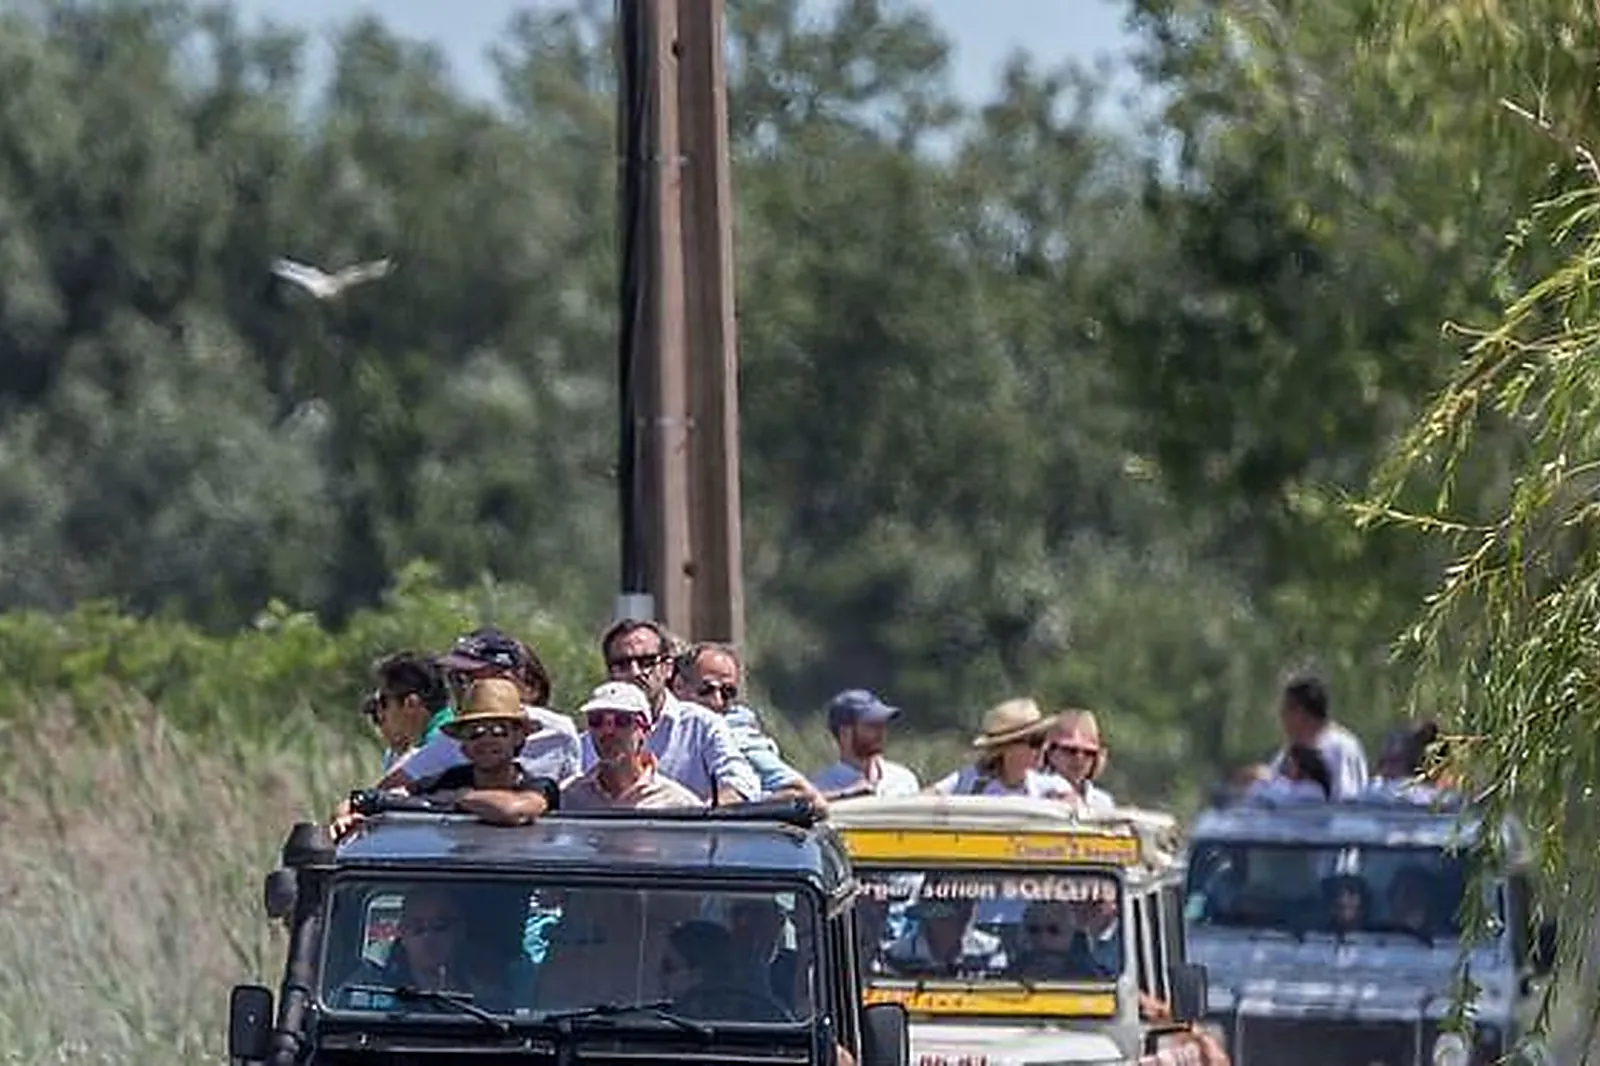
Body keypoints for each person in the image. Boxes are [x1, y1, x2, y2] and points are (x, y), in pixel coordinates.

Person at [344, 678, 560, 835]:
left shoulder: (539, 786)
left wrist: (456, 799)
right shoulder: (447, 780)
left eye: (498, 731)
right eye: (475, 734)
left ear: (518, 737)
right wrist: (347, 814)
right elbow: (381, 797)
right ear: (463, 746)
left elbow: (515, 811)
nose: (486, 741)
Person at [580, 619, 759, 805]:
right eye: (622, 664)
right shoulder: (588, 742)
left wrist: (699, 817)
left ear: (668, 668)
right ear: (609, 674)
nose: (635, 672)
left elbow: (741, 783)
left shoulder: (701, 725)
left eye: (646, 662)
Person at [673, 642, 826, 806]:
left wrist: (732, 804)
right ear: (679, 686)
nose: (717, 701)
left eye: (728, 692)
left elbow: (805, 794)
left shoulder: (734, 732)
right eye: (706, 689)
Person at [436, 627, 581, 782]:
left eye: (467, 677)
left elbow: (569, 796)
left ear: (504, 678)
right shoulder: (456, 732)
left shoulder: (558, 731)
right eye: (454, 677)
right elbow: (408, 781)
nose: (459, 687)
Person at [562, 681, 704, 810]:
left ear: (645, 730)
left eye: (622, 721)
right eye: (597, 720)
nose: (608, 731)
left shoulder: (679, 803)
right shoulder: (569, 796)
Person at [929, 698, 1064, 797]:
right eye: (1036, 741)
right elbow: (923, 800)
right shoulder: (968, 781)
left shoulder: (1049, 787)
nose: (1044, 748)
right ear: (1006, 748)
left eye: (1044, 738)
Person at [1270, 675, 1369, 800]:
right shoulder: (1288, 750)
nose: (1281, 717)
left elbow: (1346, 799)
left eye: (1285, 710)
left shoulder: (1340, 746)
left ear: (1300, 712)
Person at [808, 689, 921, 798]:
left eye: (881, 724)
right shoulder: (821, 787)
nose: (881, 732)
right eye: (871, 725)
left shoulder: (904, 779)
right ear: (845, 733)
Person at [1040, 709, 1116, 810]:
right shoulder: (1033, 791)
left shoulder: (1102, 802)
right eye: (1070, 750)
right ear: (1050, 752)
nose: (1079, 758)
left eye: (1089, 752)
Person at [1243, 744, 1332, 804]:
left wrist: (1264, 780)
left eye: (1291, 763)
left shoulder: (1313, 790)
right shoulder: (1291, 786)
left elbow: (1282, 796)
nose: (1287, 767)